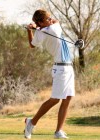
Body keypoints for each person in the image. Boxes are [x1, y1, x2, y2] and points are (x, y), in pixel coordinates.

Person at [24, 9, 75, 139]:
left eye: (50, 18)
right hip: (60, 69)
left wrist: (31, 29)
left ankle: (58, 131)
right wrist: (35, 28)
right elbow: (55, 23)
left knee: (67, 98)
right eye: (47, 18)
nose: (51, 19)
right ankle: (32, 122)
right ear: (41, 21)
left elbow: (32, 44)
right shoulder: (51, 30)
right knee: (55, 99)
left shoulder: (42, 32)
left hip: (68, 67)